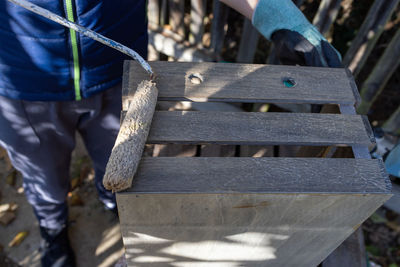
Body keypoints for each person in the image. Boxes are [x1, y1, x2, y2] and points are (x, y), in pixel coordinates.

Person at [0, 0, 341, 266]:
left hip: (119, 68)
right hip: (19, 84)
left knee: (116, 161)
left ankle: (111, 203)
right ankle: (53, 228)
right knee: (42, 174)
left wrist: (278, 16)